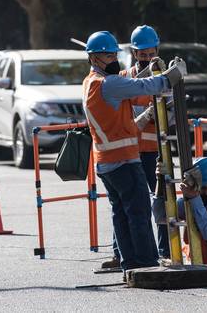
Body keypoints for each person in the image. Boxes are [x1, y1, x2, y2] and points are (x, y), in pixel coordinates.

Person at [82, 31, 185, 274]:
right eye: (109, 55)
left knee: (122, 214)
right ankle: (147, 263)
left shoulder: (91, 82)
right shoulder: (110, 83)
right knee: (138, 213)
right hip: (124, 161)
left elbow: (123, 122)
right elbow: (144, 85)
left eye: (114, 54)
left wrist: (146, 115)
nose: (113, 59)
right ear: (95, 58)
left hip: (106, 162)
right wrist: (174, 75)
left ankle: (129, 264)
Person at [101, 25, 170, 270]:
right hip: (130, 150)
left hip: (154, 151)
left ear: (157, 51)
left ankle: (165, 250)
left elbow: (170, 116)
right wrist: (146, 112)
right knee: (124, 206)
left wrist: (162, 110)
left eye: (151, 54)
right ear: (133, 52)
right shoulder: (124, 77)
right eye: (142, 54)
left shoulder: (163, 77)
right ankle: (120, 254)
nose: (147, 59)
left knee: (161, 199)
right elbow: (124, 111)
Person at [153, 157, 207, 277]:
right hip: (195, 274)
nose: (201, 193)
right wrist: (160, 183)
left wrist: (194, 198)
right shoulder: (193, 200)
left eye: (204, 188)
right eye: (198, 189)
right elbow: (160, 216)